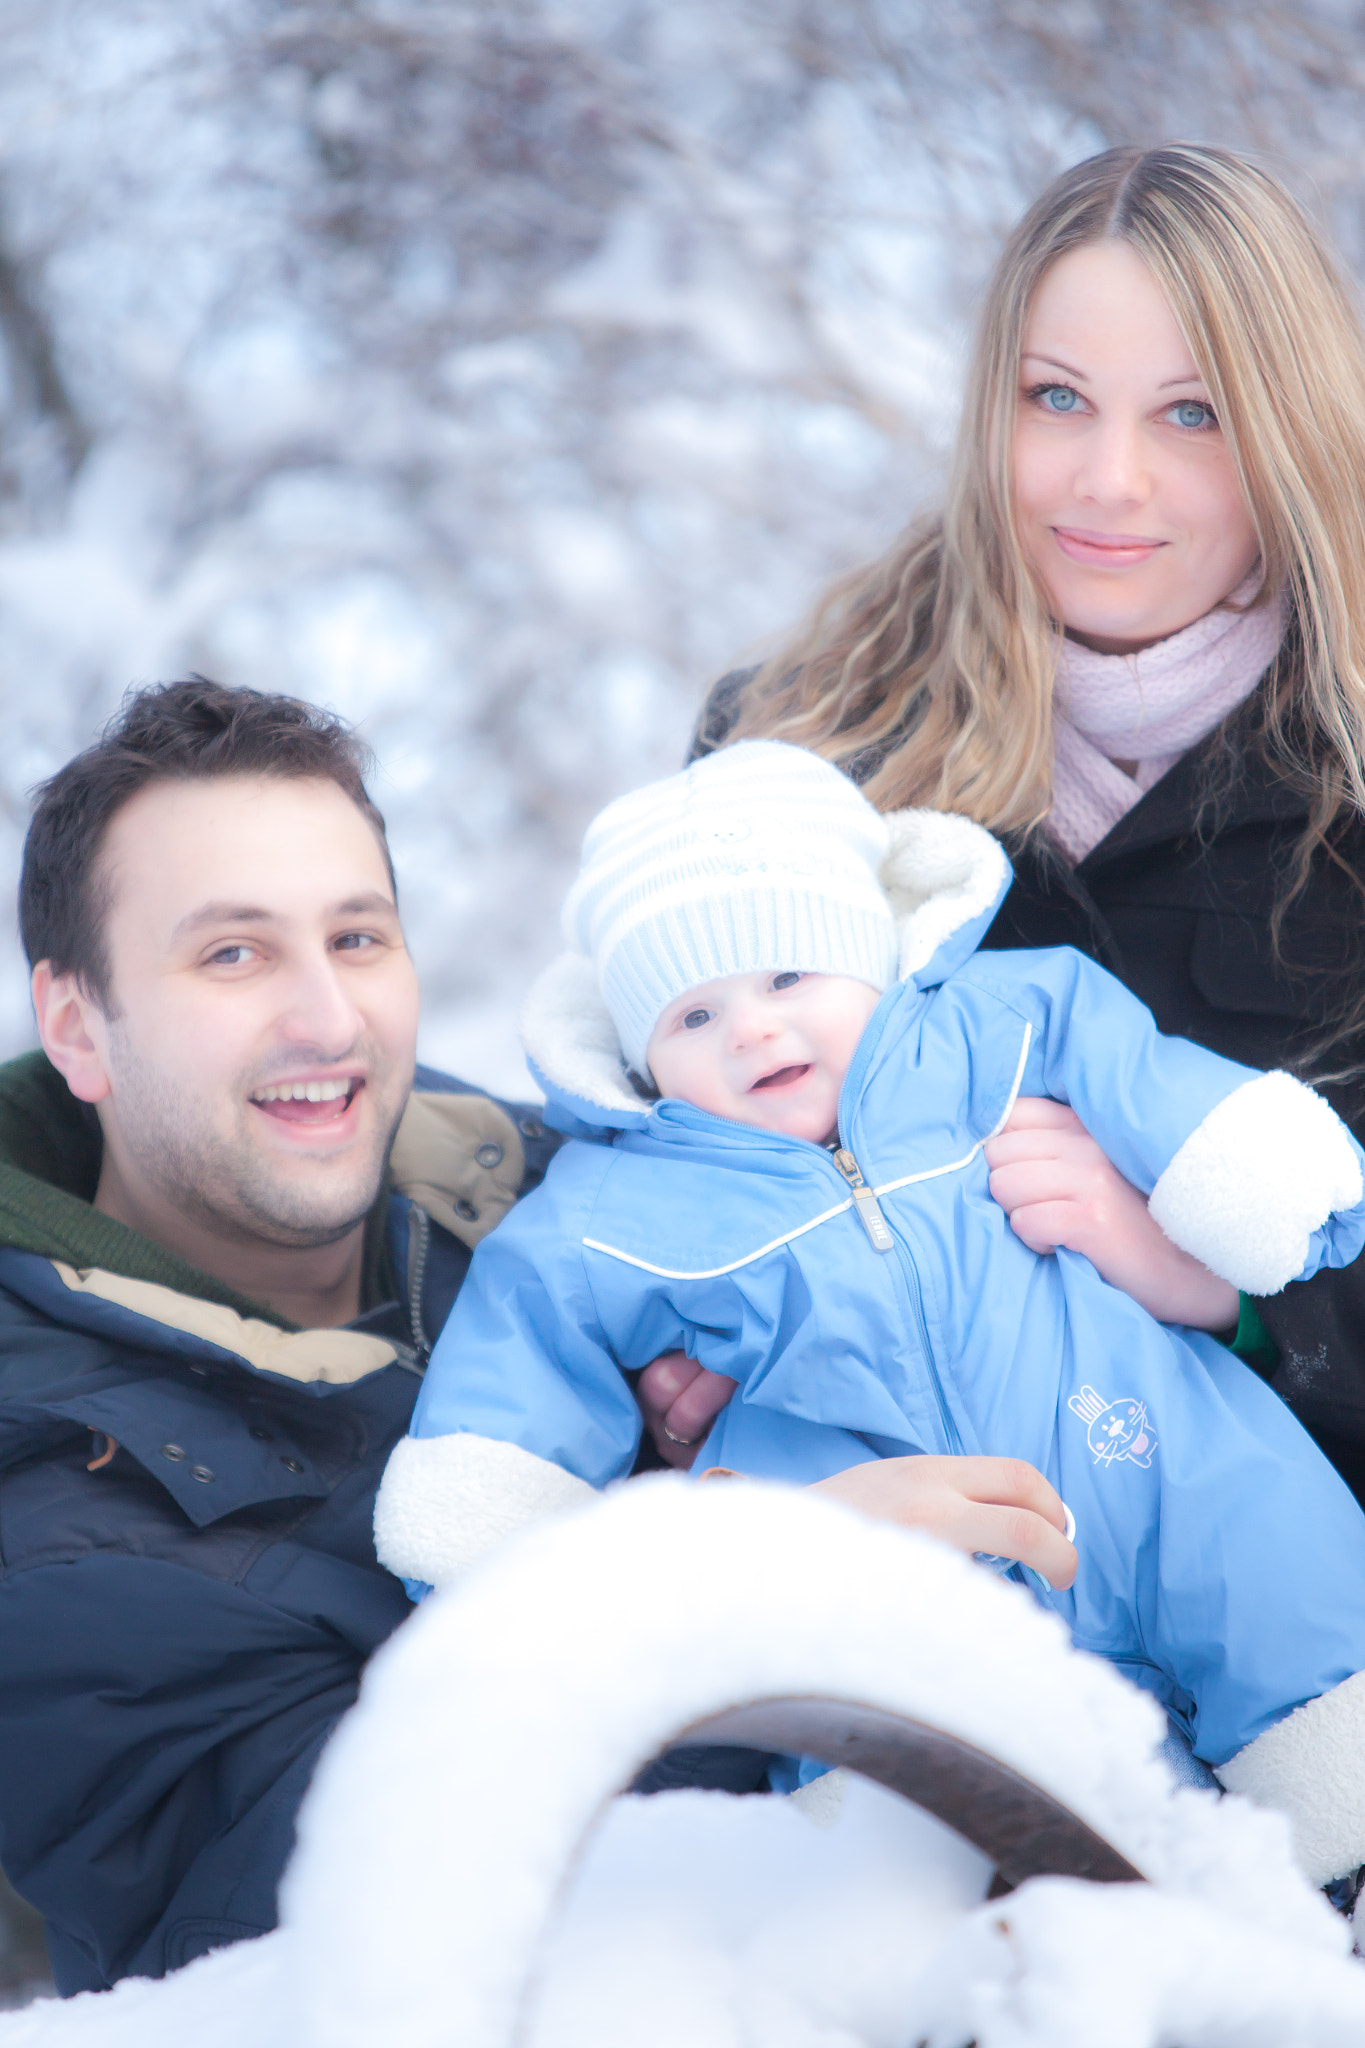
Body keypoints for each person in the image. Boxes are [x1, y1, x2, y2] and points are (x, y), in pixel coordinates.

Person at [0, 677, 1076, 1994]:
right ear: (76, 1027)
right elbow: (321, 1915)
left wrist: (1074, 1192)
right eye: (232, 954)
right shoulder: (43, 1496)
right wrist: (760, 1574)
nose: (328, 1020)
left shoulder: (573, 1189)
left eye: (356, 938)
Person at [376, 737, 1365, 1885]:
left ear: (870, 958)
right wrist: (487, 1517)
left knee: (1282, 1593)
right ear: (644, 1059)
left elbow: (1137, 1066)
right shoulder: (618, 1200)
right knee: (916, 1858)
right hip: (889, 1582)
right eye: (693, 1016)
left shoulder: (1002, 1019)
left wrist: (1249, 1175)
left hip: (1158, 1454)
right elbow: (529, 1326)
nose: (750, 1027)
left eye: (790, 976)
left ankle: (1326, 1768)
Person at [658, 141, 1365, 1509]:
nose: (1107, 482)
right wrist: (662, 1344)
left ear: (1292, 429)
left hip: (1288, 1604)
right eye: (1058, 399)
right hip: (872, 1565)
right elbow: (656, 1130)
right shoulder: (798, 750)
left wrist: (1222, 1293)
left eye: (1192, 415)